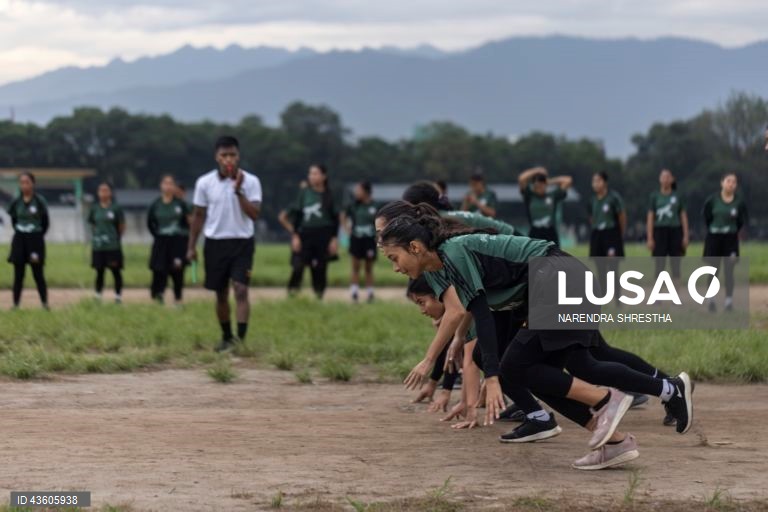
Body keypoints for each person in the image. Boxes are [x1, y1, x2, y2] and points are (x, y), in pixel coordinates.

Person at [378, 204, 694, 469]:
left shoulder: (453, 252)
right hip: (556, 282)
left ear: (415, 248)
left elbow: (481, 314)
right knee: (576, 366)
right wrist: (450, 350)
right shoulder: (438, 267)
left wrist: (490, 375)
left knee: (516, 367)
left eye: (394, 258)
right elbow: (460, 312)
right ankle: (624, 431)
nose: (395, 267)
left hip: (558, 276)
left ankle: (609, 399)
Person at [187, 136, 262, 352]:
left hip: (242, 242)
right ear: (216, 157)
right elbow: (198, 215)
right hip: (215, 243)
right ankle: (226, 336)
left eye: (232, 155)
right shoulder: (204, 183)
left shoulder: (251, 181)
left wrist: (238, 191)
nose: (228, 160)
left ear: (238, 156)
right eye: (224, 155)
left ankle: (241, 339)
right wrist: (191, 246)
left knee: (240, 289)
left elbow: (254, 214)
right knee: (220, 293)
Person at [278, 165, 339, 299]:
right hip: (304, 235)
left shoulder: (329, 195)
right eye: (310, 173)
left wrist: (334, 239)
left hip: (324, 236)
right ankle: (292, 295)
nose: (312, 176)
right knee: (298, 266)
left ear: (324, 176)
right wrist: (295, 236)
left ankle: (319, 297)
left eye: (315, 173)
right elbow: (297, 217)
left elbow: (335, 219)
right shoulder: (304, 193)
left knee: (319, 269)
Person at [403, 181, 520, 235]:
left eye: (411, 208)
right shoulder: (443, 216)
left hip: (516, 242)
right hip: (514, 238)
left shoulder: (442, 220)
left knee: (536, 283)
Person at [702, 172, 748, 312]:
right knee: (713, 270)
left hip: (730, 239)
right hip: (714, 238)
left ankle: (728, 301)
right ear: (722, 183)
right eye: (728, 181)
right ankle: (711, 300)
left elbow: (742, 221)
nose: (731, 184)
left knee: (729, 270)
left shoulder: (739, 203)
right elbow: (707, 217)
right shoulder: (712, 201)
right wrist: (715, 229)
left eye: (734, 182)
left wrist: (733, 231)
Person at [6, 172, 49, 309]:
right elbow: (13, 221)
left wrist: (36, 234)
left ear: (33, 184)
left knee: (38, 273)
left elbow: (45, 222)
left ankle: (44, 304)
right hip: (19, 239)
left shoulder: (39, 201)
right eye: (22, 182)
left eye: (27, 182)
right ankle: (16, 304)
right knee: (18, 274)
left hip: (35, 240)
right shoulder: (16, 202)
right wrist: (22, 232)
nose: (24, 185)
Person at [147, 174, 192, 305]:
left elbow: (189, 223)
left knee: (177, 271)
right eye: (165, 183)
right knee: (159, 270)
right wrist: (158, 235)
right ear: (161, 186)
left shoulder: (181, 205)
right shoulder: (156, 204)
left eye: (170, 183)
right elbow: (150, 223)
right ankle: (158, 296)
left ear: (174, 186)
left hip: (178, 243)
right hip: (161, 242)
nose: (168, 186)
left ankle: (178, 299)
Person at [587, 172, 626, 301]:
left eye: (598, 181)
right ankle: (603, 297)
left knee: (613, 268)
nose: (595, 184)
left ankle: (617, 298)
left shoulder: (613, 198)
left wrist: (619, 233)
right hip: (597, 234)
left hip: (611, 234)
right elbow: (591, 218)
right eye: (593, 181)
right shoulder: (592, 199)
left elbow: (621, 216)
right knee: (600, 268)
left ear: (605, 182)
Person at [647, 169, 688, 281]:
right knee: (659, 265)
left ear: (672, 179)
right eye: (663, 177)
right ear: (659, 179)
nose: (665, 179)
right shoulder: (654, 197)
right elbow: (650, 217)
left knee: (676, 265)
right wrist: (650, 237)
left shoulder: (677, 196)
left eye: (667, 177)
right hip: (660, 232)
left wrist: (685, 236)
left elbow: (683, 217)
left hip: (675, 230)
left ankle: (676, 296)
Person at [88, 182, 125, 304]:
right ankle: (98, 295)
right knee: (99, 271)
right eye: (101, 190)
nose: (103, 193)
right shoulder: (94, 208)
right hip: (98, 246)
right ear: (98, 193)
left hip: (112, 246)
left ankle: (118, 296)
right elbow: (92, 225)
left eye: (106, 190)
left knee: (115, 271)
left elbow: (121, 226)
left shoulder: (116, 208)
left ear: (110, 193)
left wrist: (115, 238)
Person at [341, 181, 377, 303]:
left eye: (359, 190)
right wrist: (346, 229)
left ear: (366, 191)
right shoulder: (353, 206)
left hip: (370, 239)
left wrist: (379, 235)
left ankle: (370, 292)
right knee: (355, 266)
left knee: (369, 267)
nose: (356, 193)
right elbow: (343, 216)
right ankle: (354, 292)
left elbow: (381, 221)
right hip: (356, 238)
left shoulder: (375, 206)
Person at [518, 167, 572, 246]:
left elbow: (568, 180)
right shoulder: (529, 195)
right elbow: (522, 179)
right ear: (533, 185)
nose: (540, 186)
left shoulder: (552, 196)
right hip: (535, 232)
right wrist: (537, 170)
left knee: (554, 257)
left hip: (550, 233)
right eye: (537, 183)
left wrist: (549, 181)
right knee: (535, 257)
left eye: (542, 183)